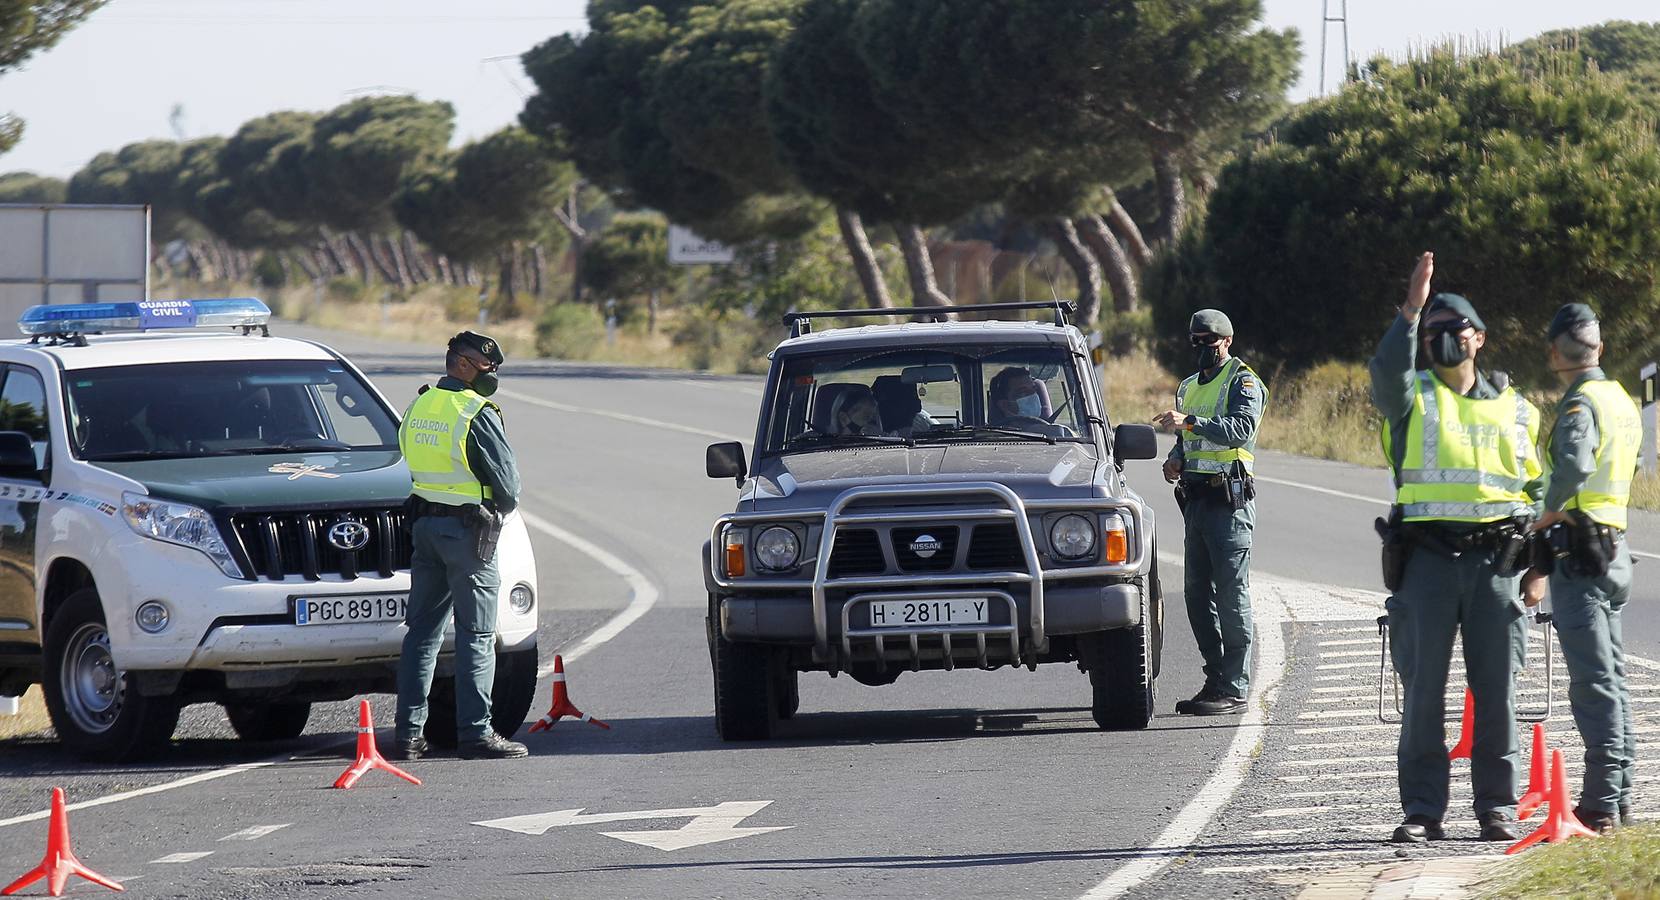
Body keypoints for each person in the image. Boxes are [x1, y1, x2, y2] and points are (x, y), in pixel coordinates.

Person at [1371, 252, 1543, 844]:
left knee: (1497, 692)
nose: (1447, 339)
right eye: (1436, 332)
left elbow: (1537, 488)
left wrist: (1538, 569)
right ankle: (1423, 810)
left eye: (1457, 330)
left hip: (1498, 567)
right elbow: (1384, 372)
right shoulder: (1409, 397)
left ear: (1481, 339)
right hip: (1427, 563)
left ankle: (1496, 806)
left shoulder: (1517, 407)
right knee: (1423, 693)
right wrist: (1411, 312)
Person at [1530, 303, 1640, 832]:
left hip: (1581, 552)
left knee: (1593, 683)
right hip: (1615, 548)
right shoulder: (1620, 399)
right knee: (1612, 677)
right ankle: (1618, 796)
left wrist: (1544, 516)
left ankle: (1598, 804)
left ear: (1555, 352)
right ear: (1601, 348)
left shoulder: (1581, 404)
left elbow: (1573, 465)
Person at [394, 331, 528, 761]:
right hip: (469, 536)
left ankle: (409, 736)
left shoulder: (421, 403)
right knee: (477, 635)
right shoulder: (476, 411)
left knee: (423, 635)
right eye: (490, 367)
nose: (494, 376)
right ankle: (476, 733)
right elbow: (508, 488)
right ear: (466, 364)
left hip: (425, 528)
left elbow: (405, 456)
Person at [1154, 309, 1267, 717]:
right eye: (1196, 341)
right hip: (1196, 503)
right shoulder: (1187, 387)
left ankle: (1235, 686)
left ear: (1227, 341)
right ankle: (1216, 678)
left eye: (1210, 341)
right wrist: (1175, 458)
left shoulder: (1243, 381)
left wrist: (1192, 422)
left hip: (1229, 503)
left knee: (1231, 594)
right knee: (1197, 596)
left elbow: (1240, 429)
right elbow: (1187, 441)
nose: (1203, 348)